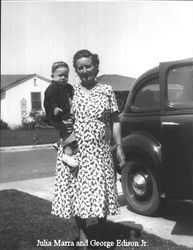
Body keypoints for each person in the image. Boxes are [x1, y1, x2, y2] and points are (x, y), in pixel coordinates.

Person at [51, 50, 125, 248]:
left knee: (101, 192)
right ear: (76, 70)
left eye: (88, 66)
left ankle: (100, 232)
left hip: (100, 151)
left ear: (96, 67)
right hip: (77, 152)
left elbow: (115, 121)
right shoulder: (69, 92)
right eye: (80, 67)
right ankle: (83, 234)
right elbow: (57, 116)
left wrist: (119, 146)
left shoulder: (107, 90)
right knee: (77, 193)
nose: (85, 71)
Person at [44, 61, 78, 168]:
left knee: (75, 128)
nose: (63, 78)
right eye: (60, 75)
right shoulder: (52, 89)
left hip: (66, 114)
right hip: (56, 116)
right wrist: (54, 109)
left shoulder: (67, 87)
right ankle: (67, 154)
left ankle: (59, 143)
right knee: (68, 129)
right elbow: (49, 101)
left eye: (66, 76)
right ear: (52, 76)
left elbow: (74, 94)